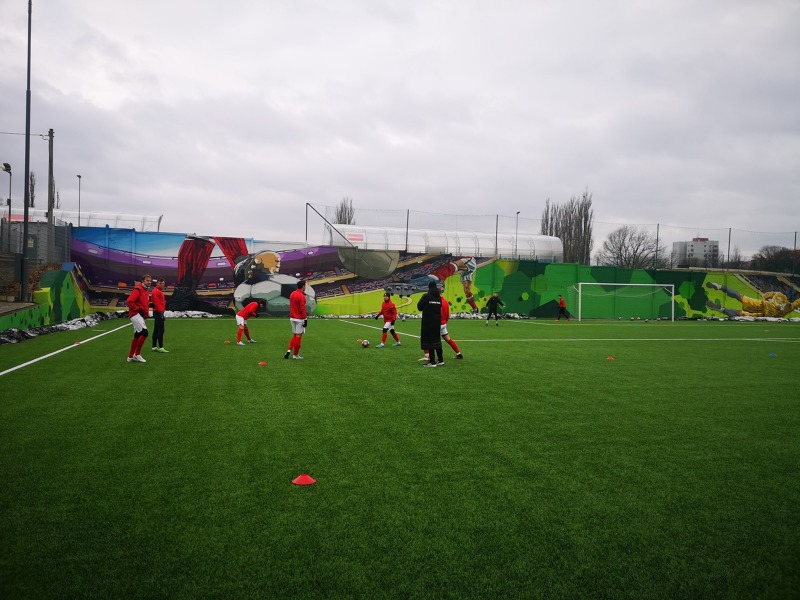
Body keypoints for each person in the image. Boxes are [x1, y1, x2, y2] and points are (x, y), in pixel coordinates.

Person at [705, 282, 800, 318]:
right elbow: (798, 302)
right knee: (741, 313)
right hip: (766, 315)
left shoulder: (779, 294)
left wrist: (767, 300)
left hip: (763, 304)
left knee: (741, 297)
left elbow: (766, 295)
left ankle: (720, 287)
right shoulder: (790, 307)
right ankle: (721, 309)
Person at [419, 295, 463, 362]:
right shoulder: (445, 301)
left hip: (437, 324)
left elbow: (439, 314)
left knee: (426, 338)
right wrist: (445, 322)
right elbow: (447, 313)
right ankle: (459, 353)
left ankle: (428, 356)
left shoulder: (437, 302)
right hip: (443, 323)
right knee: (448, 339)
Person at [417, 281, 444, 367]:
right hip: (437, 322)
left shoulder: (426, 296)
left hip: (428, 322)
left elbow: (419, 307)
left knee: (430, 342)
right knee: (437, 341)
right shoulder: (439, 298)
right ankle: (440, 360)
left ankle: (432, 361)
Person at [126, 274, 151, 363]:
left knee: (137, 335)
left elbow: (143, 304)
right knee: (144, 333)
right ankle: (137, 354)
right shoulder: (138, 289)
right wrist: (138, 309)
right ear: (142, 281)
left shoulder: (145, 290)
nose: (149, 282)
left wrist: (145, 313)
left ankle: (130, 357)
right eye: (147, 280)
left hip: (139, 315)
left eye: (150, 280)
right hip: (135, 314)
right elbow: (129, 301)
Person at [285, 280, 308, 360]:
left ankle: (288, 350)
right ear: (303, 286)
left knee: (295, 335)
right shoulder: (302, 296)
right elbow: (302, 309)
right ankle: (295, 355)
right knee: (298, 336)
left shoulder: (292, 294)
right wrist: (305, 319)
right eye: (305, 285)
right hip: (299, 319)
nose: (305, 287)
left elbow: (291, 306)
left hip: (292, 318)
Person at [150, 278, 169, 352]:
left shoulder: (158, 291)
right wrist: (161, 313)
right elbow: (156, 303)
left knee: (156, 330)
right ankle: (161, 347)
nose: (162, 285)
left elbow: (158, 302)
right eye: (160, 283)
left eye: (163, 283)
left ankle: (154, 347)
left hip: (158, 311)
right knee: (161, 330)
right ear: (157, 283)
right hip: (158, 312)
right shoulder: (156, 291)